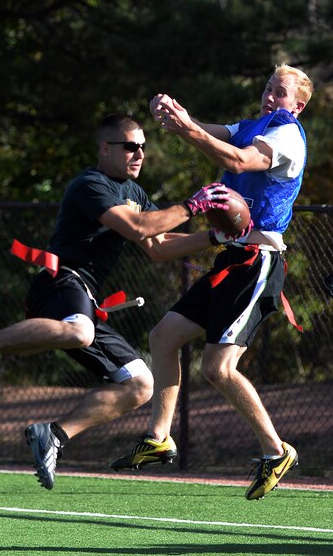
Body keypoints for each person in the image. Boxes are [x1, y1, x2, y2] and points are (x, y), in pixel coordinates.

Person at [0, 113, 231, 490]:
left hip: (87, 296)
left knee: (140, 384)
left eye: (143, 147)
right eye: (131, 146)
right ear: (105, 148)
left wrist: (216, 237)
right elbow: (137, 228)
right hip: (60, 279)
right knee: (80, 332)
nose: (139, 154)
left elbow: (158, 248)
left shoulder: (136, 193)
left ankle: (54, 435)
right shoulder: (89, 184)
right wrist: (192, 206)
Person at [110, 64, 314, 501]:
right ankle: (160, 437)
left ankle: (275, 451)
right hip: (232, 258)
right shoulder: (254, 124)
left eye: (279, 92)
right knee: (163, 336)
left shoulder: (287, 136)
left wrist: (187, 128)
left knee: (218, 368)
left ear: (298, 105)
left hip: (259, 261)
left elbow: (237, 159)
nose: (269, 96)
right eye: (267, 87)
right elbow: (212, 131)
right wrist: (176, 116)